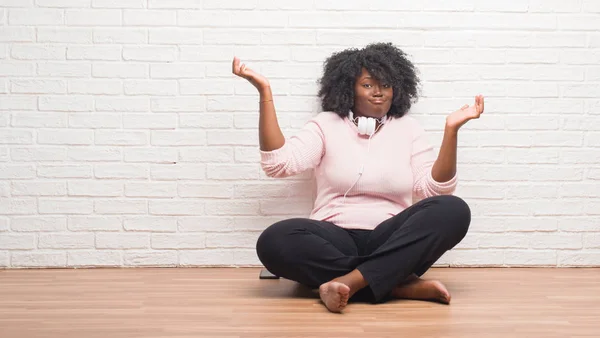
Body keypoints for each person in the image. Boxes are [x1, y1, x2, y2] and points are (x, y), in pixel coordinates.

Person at [231, 42, 484, 313]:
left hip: (389, 236)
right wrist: (264, 92)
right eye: (367, 85)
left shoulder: (409, 129)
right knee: (274, 240)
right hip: (333, 236)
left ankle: (350, 282)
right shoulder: (326, 124)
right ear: (348, 88)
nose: (378, 93)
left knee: (453, 209)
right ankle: (395, 282)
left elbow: (435, 190)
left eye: (385, 85)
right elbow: (279, 164)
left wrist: (451, 131)